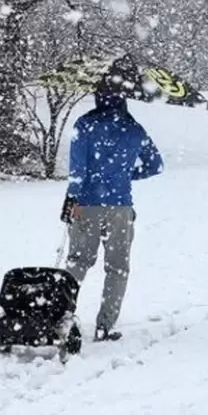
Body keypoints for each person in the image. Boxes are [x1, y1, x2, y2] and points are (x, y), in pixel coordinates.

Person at [60, 93, 164, 342]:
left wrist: (71, 198)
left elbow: (78, 169)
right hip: (121, 208)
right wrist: (125, 175)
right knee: (117, 268)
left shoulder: (84, 124)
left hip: (86, 204)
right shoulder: (134, 128)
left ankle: (60, 316)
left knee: (77, 261)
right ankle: (104, 325)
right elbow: (156, 165)